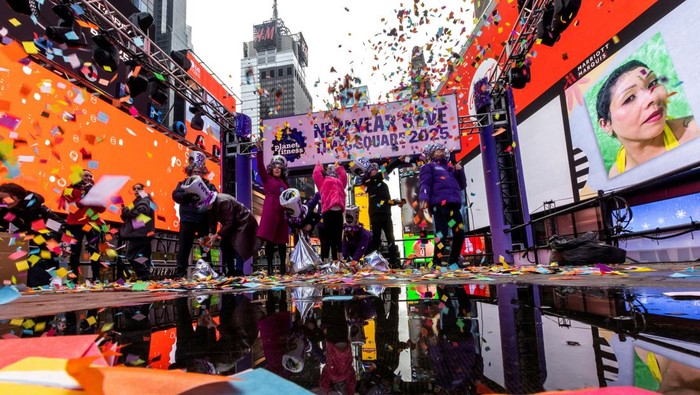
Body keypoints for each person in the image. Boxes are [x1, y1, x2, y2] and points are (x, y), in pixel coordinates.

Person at [596, 59, 700, 177]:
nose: (653, 97)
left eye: (652, 83)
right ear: (606, 125)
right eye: (629, 98)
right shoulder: (616, 173)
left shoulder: (694, 132)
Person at [180, 175, 259, 276]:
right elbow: (213, 222)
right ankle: (230, 270)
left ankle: (239, 271)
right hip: (231, 225)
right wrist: (210, 234)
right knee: (224, 244)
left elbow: (229, 222)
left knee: (239, 245)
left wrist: (215, 236)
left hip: (243, 222)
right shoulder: (211, 208)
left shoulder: (224, 202)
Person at [0, 183, 63, 287]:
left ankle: (56, 276)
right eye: (1, 198)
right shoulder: (6, 207)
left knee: (47, 244)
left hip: (53, 226)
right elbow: (5, 222)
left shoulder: (33, 206)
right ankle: (20, 278)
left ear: (17, 197)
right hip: (31, 229)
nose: (4, 201)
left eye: (6, 198)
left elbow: (36, 227)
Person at [419, 143, 467, 267]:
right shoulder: (429, 167)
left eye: (441, 150)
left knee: (459, 232)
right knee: (441, 234)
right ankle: (437, 262)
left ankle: (454, 261)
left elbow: (462, 185)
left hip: (453, 207)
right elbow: (425, 184)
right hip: (439, 206)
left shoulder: (451, 169)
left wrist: (459, 171)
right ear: (431, 154)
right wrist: (424, 198)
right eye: (437, 150)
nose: (440, 152)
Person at [355, 157, 407, 268]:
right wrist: (398, 160)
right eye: (373, 170)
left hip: (386, 214)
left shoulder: (383, 185)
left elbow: (385, 201)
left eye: (376, 170)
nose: (376, 172)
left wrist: (397, 202)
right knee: (376, 239)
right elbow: (386, 170)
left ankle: (394, 263)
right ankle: (373, 263)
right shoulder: (370, 182)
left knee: (390, 238)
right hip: (375, 215)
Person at [172, 151, 217, 278]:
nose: (197, 174)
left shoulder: (210, 185)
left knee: (205, 247)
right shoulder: (183, 183)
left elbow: (215, 199)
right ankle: (180, 273)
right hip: (187, 220)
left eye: (200, 172)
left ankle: (208, 270)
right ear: (190, 172)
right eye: (195, 172)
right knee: (184, 247)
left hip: (203, 221)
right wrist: (188, 194)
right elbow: (176, 196)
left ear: (204, 173)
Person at [60, 169, 106, 281]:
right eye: (86, 176)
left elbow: (102, 208)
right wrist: (86, 195)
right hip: (76, 224)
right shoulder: (69, 189)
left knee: (95, 251)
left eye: (91, 176)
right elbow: (72, 206)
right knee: (75, 251)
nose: (89, 178)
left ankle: (96, 278)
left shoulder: (95, 191)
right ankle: (73, 279)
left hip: (92, 224)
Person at [255, 143, 290, 275]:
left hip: (282, 213)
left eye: (279, 168)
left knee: (282, 242)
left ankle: (282, 268)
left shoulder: (285, 183)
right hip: (270, 211)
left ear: (282, 170)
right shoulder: (267, 179)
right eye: (274, 167)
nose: (276, 169)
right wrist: (260, 152)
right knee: (269, 241)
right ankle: (269, 268)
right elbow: (259, 167)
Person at [119, 183, 155, 281]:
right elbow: (131, 216)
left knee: (131, 256)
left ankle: (144, 274)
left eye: (138, 188)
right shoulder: (137, 201)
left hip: (140, 234)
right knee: (143, 256)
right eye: (134, 189)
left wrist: (125, 211)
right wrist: (125, 212)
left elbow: (141, 212)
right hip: (144, 233)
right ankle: (145, 275)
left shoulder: (144, 200)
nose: (136, 190)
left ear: (143, 190)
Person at [313, 162, 347, 261]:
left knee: (337, 237)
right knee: (328, 238)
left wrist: (339, 168)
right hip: (328, 211)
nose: (332, 170)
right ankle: (327, 260)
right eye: (330, 168)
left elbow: (344, 177)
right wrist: (319, 166)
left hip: (339, 211)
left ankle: (338, 260)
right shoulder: (323, 182)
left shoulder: (339, 181)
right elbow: (316, 174)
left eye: (333, 169)